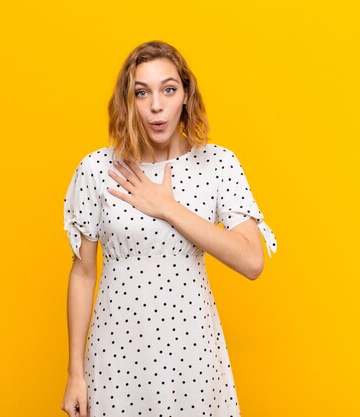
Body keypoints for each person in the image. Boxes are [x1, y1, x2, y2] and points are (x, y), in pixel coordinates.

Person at [60, 40, 277, 417]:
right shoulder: (97, 169)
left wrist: (167, 207)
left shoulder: (217, 164)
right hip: (117, 356)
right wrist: (75, 373)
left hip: (192, 355)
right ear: (127, 101)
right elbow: (82, 273)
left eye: (169, 89)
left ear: (186, 95)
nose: (156, 106)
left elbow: (252, 261)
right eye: (141, 93)